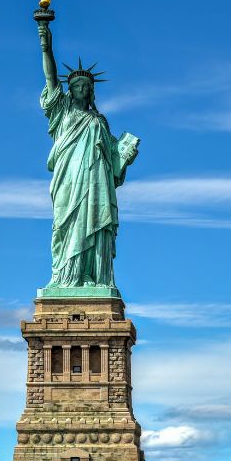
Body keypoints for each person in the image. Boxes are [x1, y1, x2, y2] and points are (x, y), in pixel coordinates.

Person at [36, 19, 139, 289]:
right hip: (68, 179)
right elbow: (50, 76)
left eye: (85, 86)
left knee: (93, 223)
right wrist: (45, 41)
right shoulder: (63, 112)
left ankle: (93, 276)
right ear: (69, 90)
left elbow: (113, 159)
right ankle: (65, 278)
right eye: (76, 85)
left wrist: (125, 154)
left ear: (91, 91)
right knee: (64, 226)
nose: (81, 89)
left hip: (96, 182)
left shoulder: (100, 121)